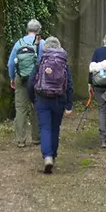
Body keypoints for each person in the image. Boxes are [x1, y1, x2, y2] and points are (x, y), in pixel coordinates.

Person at [28, 36, 73, 174]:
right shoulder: (63, 62)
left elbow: (31, 82)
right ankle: (53, 155)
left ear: (45, 47)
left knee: (45, 128)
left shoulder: (41, 61)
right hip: (58, 99)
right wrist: (69, 105)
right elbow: (69, 85)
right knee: (55, 128)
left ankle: (47, 157)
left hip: (42, 99)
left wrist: (33, 99)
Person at [8, 19, 46, 147]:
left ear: (27, 29)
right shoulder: (42, 43)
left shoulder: (19, 43)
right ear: (39, 30)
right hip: (36, 79)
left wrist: (13, 78)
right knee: (36, 106)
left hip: (21, 78)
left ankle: (21, 140)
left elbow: (11, 63)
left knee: (20, 108)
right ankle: (36, 138)